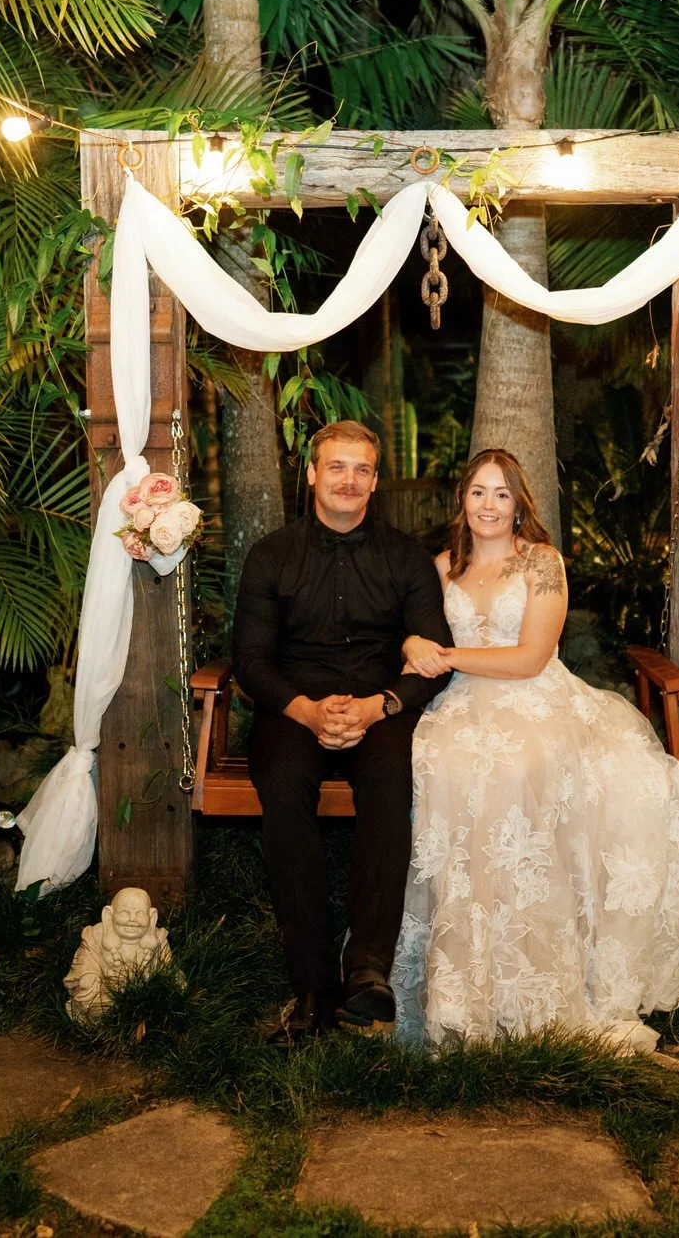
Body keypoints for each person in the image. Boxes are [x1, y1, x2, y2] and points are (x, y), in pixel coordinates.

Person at [392, 449, 679, 1046]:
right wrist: (415, 640)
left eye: (502, 494)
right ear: (462, 500)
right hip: (459, 703)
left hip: (535, 698)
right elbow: (407, 628)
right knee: (442, 765)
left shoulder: (543, 564)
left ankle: (531, 978)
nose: (489, 505)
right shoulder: (440, 567)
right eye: (479, 492)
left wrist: (446, 654)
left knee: (516, 769)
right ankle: (461, 988)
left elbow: (530, 657)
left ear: (520, 505)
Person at [233, 420, 455, 1041]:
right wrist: (303, 709)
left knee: (391, 787)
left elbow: (436, 654)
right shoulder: (271, 556)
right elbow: (250, 659)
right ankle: (310, 986)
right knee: (280, 787)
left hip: (378, 708)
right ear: (311, 474)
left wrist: (382, 704)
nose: (348, 480)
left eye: (361, 470)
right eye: (336, 467)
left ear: (375, 482)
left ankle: (368, 972)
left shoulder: (405, 557)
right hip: (293, 709)